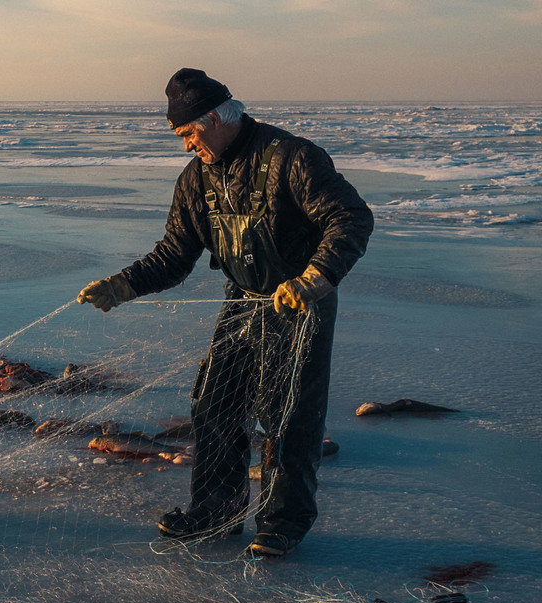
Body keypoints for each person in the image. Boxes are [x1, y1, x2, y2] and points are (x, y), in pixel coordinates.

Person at [77, 68, 372, 556]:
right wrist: (122, 285)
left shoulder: (292, 158)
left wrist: (316, 277)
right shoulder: (196, 179)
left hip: (299, 302)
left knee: (288, 414)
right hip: (242, 302)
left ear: (214, 118)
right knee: (214, 404)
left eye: (189, 133)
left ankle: (282, 525)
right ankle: (216, 511)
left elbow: (351, 218)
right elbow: (173, 255)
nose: (186, 145)